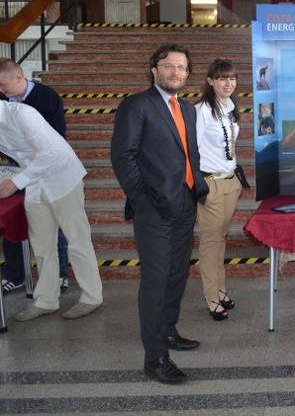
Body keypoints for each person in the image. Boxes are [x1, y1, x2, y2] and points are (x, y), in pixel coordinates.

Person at [110, 44, 209, 384]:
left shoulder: (187, 109)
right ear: (154, 70)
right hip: (153, 208)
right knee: (156, 280)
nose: (175, 72)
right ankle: (155, 358)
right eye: (168, 65)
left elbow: (188, 153)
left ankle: (168, 331)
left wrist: (198, 186)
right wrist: (142, 199)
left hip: (184, 202)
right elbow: (123, 156)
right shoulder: (137, 105)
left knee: (177, 274)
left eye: (182, 67)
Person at [0, 100, 103, 321]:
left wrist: (17, 182)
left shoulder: (21, 114)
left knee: (77, 239)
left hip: (62, 177)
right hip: (35, 183)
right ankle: (46, 300)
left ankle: (92, 297)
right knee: (42, 244)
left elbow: (52, 152)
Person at [0, 58, 71, 293]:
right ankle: (15, 274)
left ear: (18, 78)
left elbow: (56, 140)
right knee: (11, 219)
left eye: (3, 85)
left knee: (55, 222)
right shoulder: (3, 99)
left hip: (48, 169)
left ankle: (59, 274)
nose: (1, 91)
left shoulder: (47, 97)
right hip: (14, 169)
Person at [194, 59, 243, 321]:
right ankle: (211, 296)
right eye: (222, 78)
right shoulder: (201, 110)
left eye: (232, 78)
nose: (228, 83)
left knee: (221, 239)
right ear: (210, 81)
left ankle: (220, 290)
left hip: (230, 182)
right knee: (210, 242)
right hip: (210, 183)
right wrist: (198, 184)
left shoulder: (230, 108)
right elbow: (191, 149)